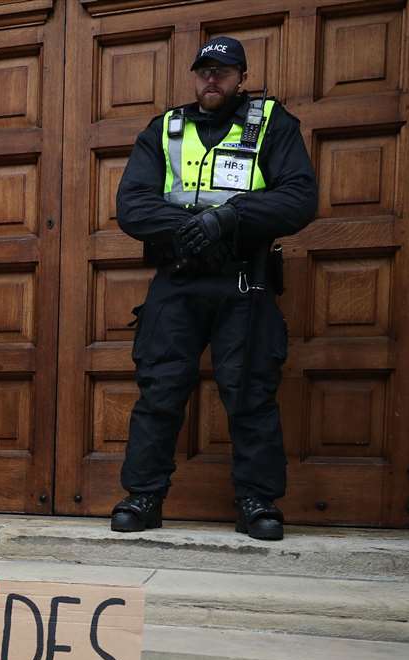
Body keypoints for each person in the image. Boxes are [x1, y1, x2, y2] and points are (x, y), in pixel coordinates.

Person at [112, 36, 317, 541]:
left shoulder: (271, 122)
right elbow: (133, 206)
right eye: (204, 70)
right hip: (178, 278)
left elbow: (298, 199)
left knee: (249, 392)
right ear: (194, 75)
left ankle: (257, 502)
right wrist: (191, 226)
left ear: (240, 77)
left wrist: (228, 219)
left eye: (223, 71)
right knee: (159, 390)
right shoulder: (164, 129)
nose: (212, 79)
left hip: (243, 280)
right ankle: (143, 497)